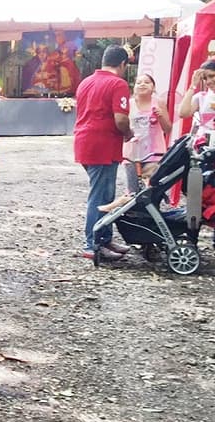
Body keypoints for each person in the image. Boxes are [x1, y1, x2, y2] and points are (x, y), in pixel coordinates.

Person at [73, 45, 132, 262]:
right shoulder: (118, 84)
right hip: (103, 145)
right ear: (123, 64)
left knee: (105, 194)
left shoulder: (86, 82)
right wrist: (128, 133)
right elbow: (121, 119)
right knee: (99, 196)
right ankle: (93, 243)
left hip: (84, 142)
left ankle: (104, 238)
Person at [122, 73, 172, 193]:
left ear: (153, 87)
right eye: (139, 83)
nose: (142, 84)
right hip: (131, 153)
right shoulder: (129, 104)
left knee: (152, 188)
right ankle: (133, 211)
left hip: (154, 152)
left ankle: (151, 211)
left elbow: (168, 129)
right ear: (134, 87)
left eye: (146, 82)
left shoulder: (159, 103)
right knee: (133, 189)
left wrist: (161, 117)